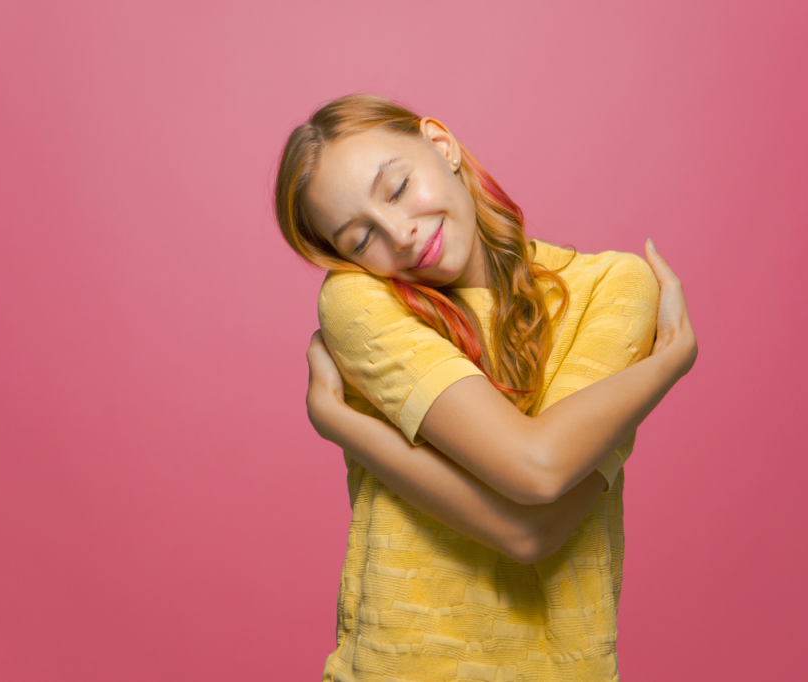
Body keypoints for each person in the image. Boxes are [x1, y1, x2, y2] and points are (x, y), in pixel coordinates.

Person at [274, 94, 697, 682]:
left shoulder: (613, 288)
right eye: (359, 239)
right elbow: (539, 476)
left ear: (440, 145)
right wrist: (666, 365)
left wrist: (341, 422)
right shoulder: (359, 300)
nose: (398, 233)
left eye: (395, 188)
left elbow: (532, 518)